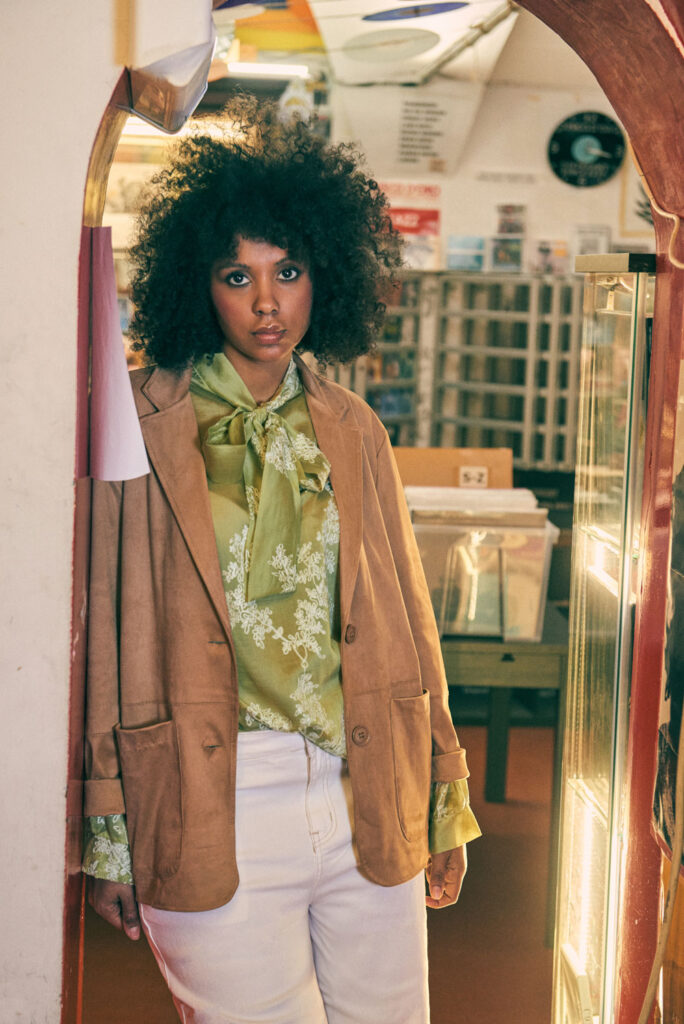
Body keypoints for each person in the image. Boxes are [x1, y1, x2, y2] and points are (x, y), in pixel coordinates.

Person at [84, 95, 481, 1024]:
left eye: (289, 271)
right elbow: (104, 624)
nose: (267, 303)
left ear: (323, 276)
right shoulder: (139, 420)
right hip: (207, 793)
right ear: (198, 283)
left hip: (364, 789)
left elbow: (407, 616)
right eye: (238, 275)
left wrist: (444, 788)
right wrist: (108, 823)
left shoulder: (353, 426)